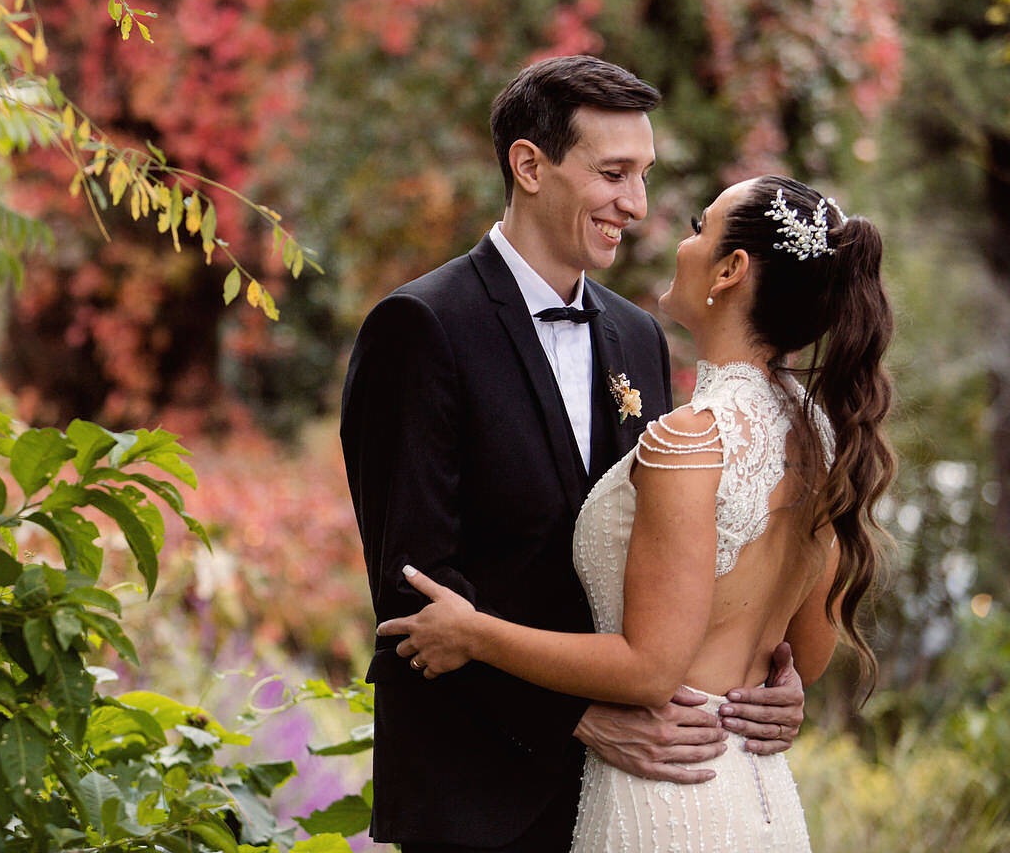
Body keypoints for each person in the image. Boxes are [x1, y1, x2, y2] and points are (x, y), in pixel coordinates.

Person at [340, 55, 809, 853]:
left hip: (632, 797)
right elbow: (412, 592)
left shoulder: (639, 337)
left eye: (645, 174)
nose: (638, 204)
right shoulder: (419, 328)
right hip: (480, 797)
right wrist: (580, 718)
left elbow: (668, 554)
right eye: (614, 173)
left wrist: (767, 669)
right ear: (530, 165)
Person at [376, 173, 896, 850]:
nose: (677, 237)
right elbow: (810, 653)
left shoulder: (694, 438)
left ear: (731, 271)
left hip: (666, 803)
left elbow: (650, 669)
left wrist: (474, 633)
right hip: (756, 797)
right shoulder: (820, 436)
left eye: (699, 228)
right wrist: (780, 684)